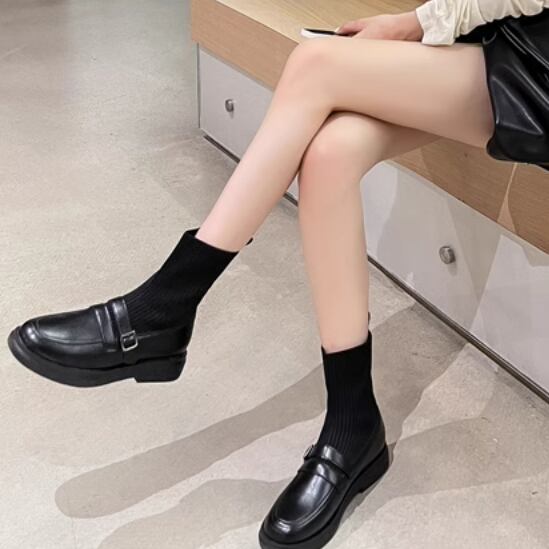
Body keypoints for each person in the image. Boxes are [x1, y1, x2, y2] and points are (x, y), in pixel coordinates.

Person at [7, 1, 549, 548]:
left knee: (315, 64)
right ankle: (353, 421)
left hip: (534, 64)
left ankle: (165, 305)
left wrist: (418, 23)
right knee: (330, 154)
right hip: (506, 41)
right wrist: (423, 21)